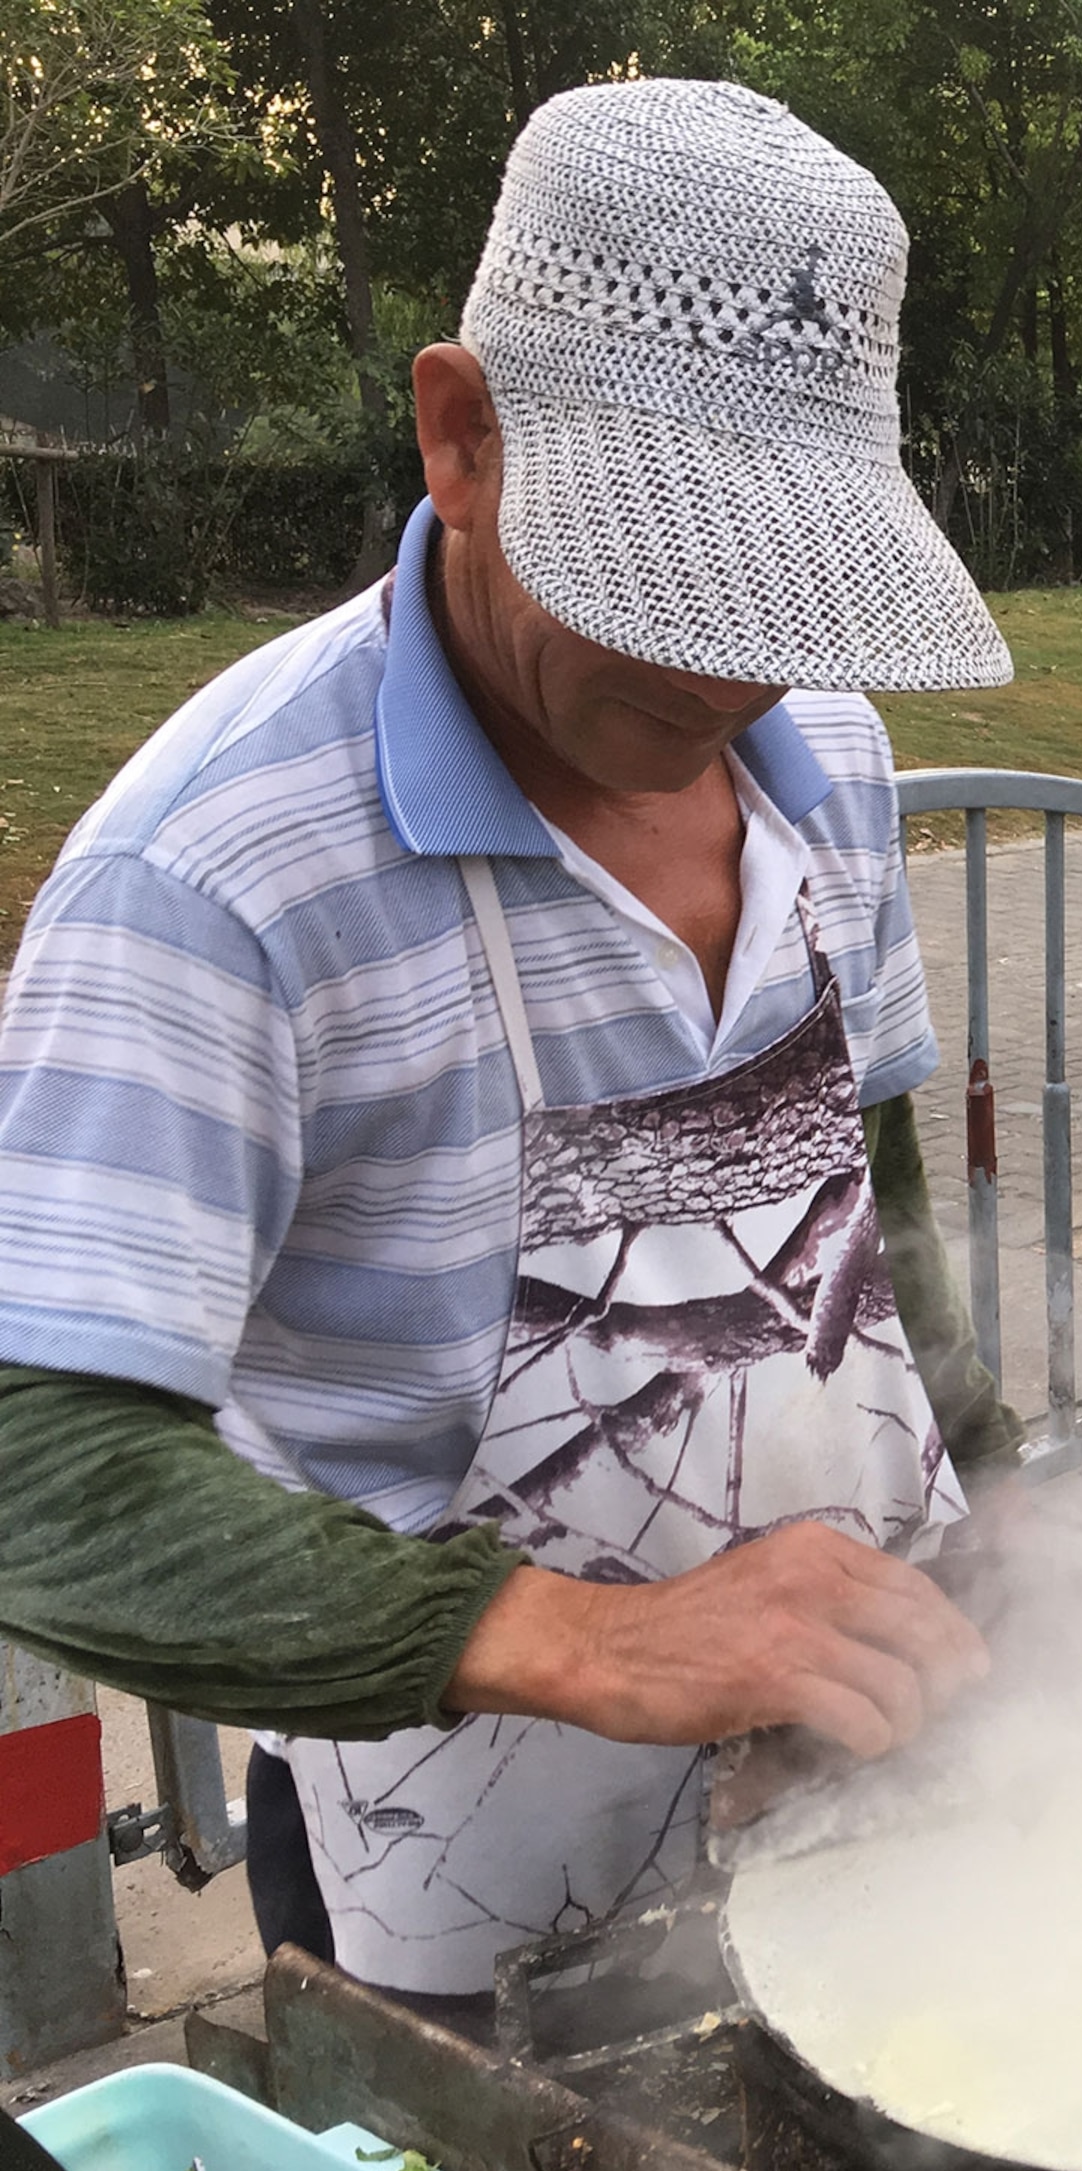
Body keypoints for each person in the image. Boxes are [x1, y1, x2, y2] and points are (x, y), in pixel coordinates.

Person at [0, 80, 1028, 2012]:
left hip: (888, 1762)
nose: (729, 668)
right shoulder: (215, 872)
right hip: (466, 1891)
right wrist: (583, 1638)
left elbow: (869, 1168)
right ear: (461, 432)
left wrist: (999, 1464)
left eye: (781, 595)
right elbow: (37, 1469)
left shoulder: (835, 758)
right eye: (662, 574)